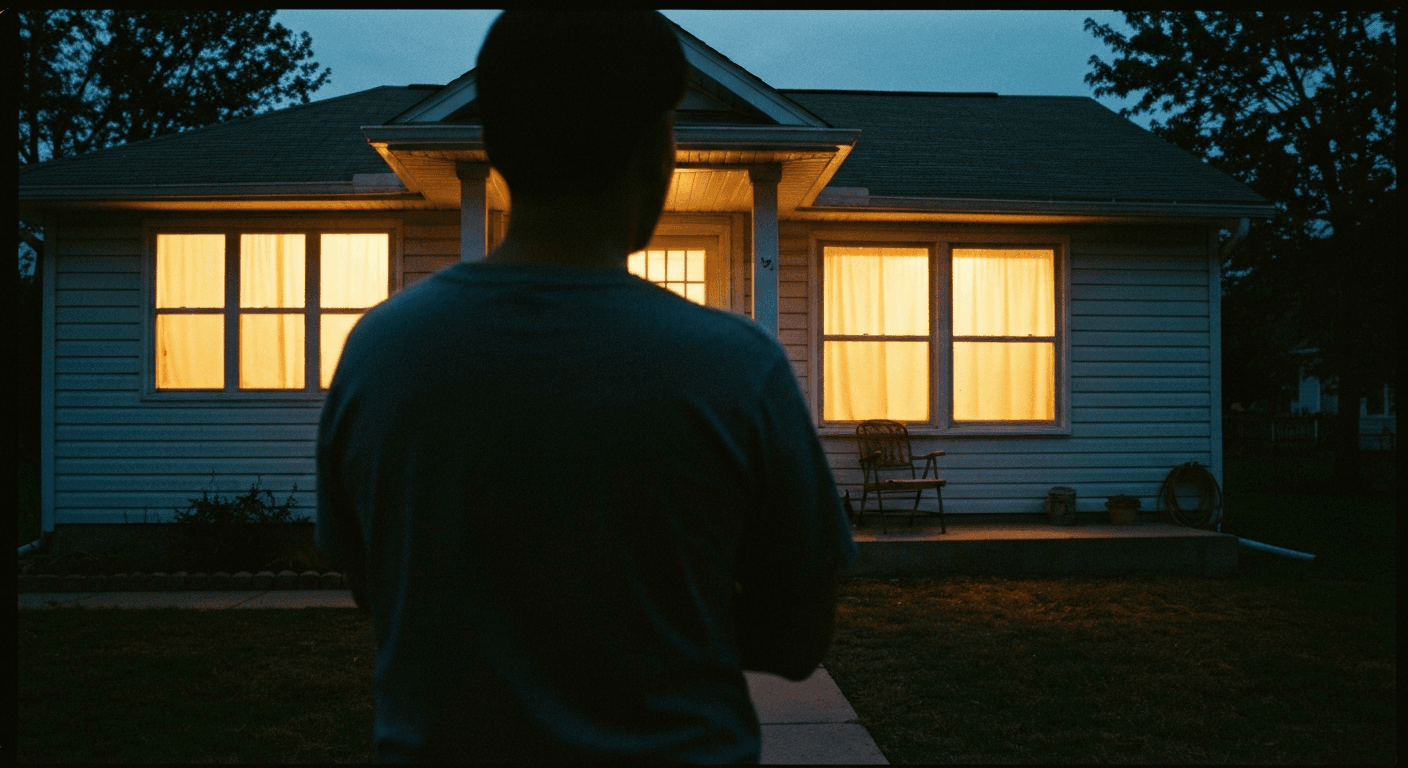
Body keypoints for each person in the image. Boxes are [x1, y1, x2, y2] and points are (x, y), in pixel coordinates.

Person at [316, 10, 857, 763]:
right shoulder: (736, 367)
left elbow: (375, 590)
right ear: (655, 151)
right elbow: (798, 637)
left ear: (496, 145)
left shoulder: (380, 354)